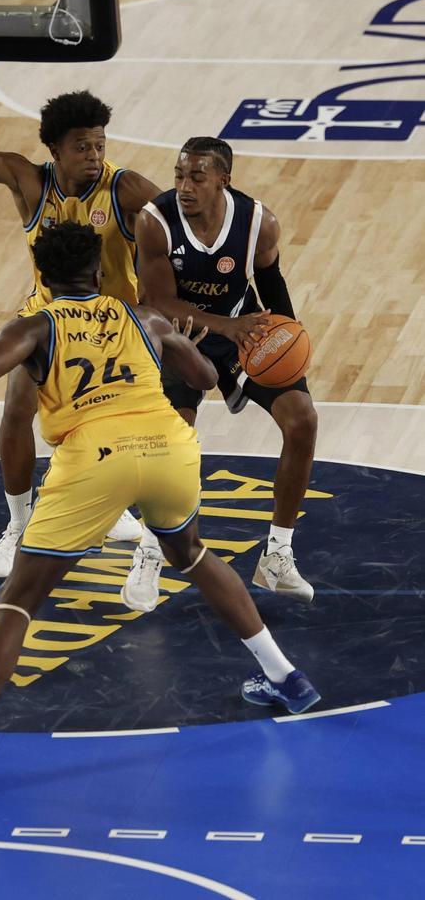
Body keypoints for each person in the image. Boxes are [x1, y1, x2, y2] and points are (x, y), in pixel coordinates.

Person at [0, 221, 321, 799]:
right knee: (191, 553)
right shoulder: (144, 316)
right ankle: (288, 678)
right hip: (169, 447)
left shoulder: (34, 326)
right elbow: (200, 378)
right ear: (100, 273)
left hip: (94, 458)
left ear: (45, 280)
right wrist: (187, 350)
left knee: (18, 602)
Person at [0, 61, 161, 576]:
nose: (94, 155)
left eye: (99, 144)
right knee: (16, 412)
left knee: (106, 422)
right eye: (82, 146)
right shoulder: (29, 181)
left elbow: (179, 225)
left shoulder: (126, 189)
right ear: (55, 150)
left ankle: (112, 503)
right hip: (46, 318)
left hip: (112, 327)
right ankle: (20, 523)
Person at [122, 136, 318, 614]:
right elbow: (158, 301)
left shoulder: (257, 223)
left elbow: (271, 286)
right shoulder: (155, 221)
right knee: (172, 438)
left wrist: (289, 340)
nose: (184, 186)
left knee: (303, 419)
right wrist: (226, 327)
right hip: (178, 332)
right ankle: (149, 552)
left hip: (240, 326)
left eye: (197, 177)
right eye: (179, 175)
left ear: (223, 180)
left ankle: (277, 553)